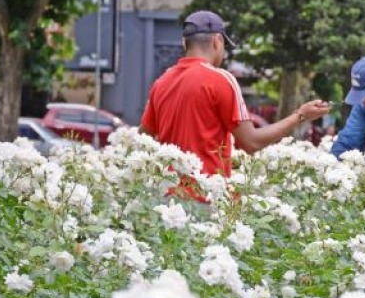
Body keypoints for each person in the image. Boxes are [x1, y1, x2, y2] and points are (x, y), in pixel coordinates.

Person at [139, 10, 330, 181]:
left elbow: (143, 138)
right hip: (206, 199)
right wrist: (300, 115)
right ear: (217, 41)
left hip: (165, 202)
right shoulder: (221, 79)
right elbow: (251, 142)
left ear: (184, 43)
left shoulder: (161, 82)